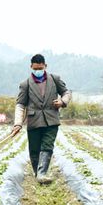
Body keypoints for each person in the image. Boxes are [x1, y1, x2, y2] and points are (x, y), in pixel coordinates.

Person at [11, 54, 72, 183]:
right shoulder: (25, 84)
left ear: (45, 66)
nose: (38, 71)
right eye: (35, 69)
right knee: (34, 150)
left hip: (51, 119)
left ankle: (42, 173)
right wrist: (17, 123)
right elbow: (20, 104)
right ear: (31, 67)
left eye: (40, 68)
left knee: (47, 146)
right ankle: (37, 172)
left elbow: (66, 92)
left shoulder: (54, 79)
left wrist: (62, 102)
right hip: (34, 121)